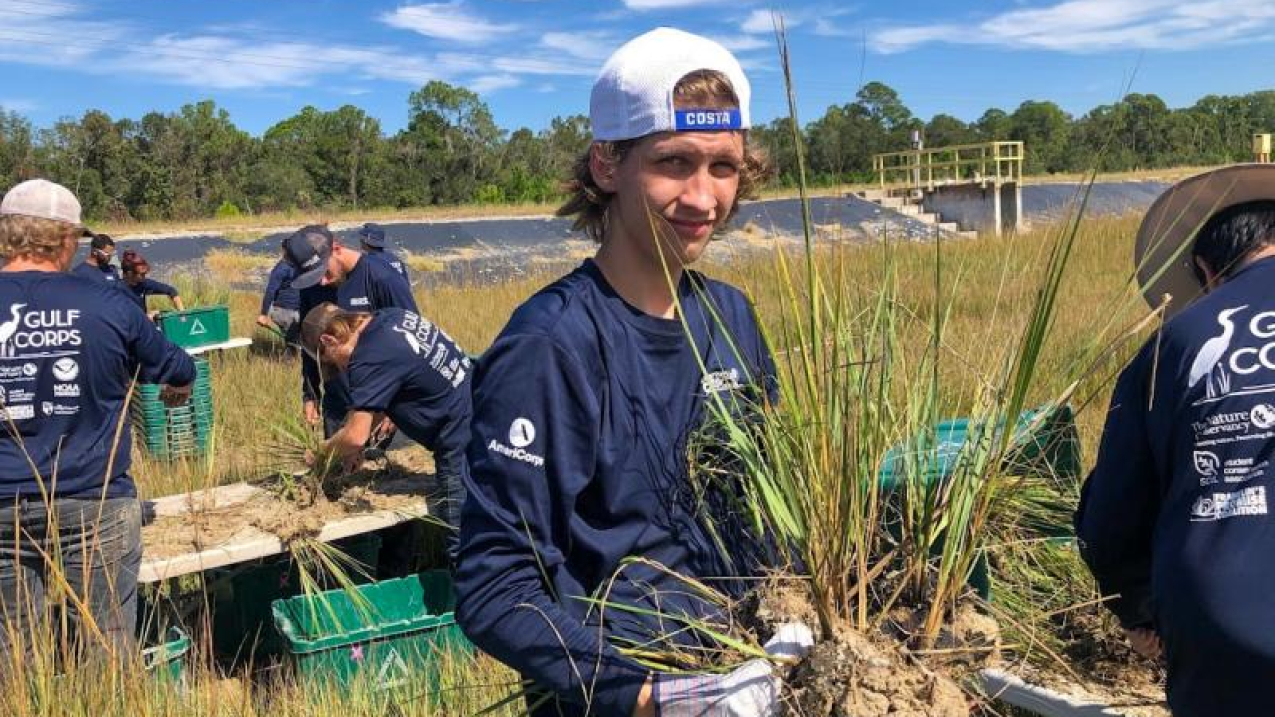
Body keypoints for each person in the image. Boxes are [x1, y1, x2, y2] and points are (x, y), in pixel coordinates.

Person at [454, 28, 810, 717]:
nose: (704, 197)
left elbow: (769, 504)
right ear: (607, 166)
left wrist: (794, 610)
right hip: (629, 691)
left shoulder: (730, 317)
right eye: (673, 162)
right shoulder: (550, 346)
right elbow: (494, 583)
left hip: (755, 677)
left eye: (724, 167)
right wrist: (656, 698)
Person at [1076, 164, 1275, 716]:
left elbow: (1110, 521)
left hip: (1227, 628)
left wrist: (1141, 612)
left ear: (1208, 272)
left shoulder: (1170, 347)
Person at [0, 179, 195, 662]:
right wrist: (176, 387)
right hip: (96, 501)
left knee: (12, 653)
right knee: (106, 647)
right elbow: (179, 368)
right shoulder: (106, 304)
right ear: (68, 239)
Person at [300, 302, 471, 556]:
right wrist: (357, 443)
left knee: (464, 545)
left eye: (329, 362)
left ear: (329, 340)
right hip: (482, 416)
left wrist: (322, 453)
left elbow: (355, 436)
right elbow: (381, 400)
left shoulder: (367, 357)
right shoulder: (392, 319)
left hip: (463, 442)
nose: (338, 369)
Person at [282, 224, 417, 437]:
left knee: (377, 467)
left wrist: (397, 403)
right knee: (335, 467)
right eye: (315, 276)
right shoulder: (312, 286)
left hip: (380, 407)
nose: (323, 281)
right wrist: (310, 394)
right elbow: (310, 344)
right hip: (337, 403)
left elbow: (414, 343)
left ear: (336, 248)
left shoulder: (382, 278)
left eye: (325, 271)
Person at [256, 246, 301, 346]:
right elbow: (270, 291)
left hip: (297, 309)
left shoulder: (299, 265)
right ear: (285, 251)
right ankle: (289, 358)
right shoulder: (281, 269)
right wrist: (264, 314)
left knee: (297, 341)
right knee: (293, 342)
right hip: (284, 311)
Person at [119, 250, 184, 316]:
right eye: (142, 274)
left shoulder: (143, 283)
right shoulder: (117, 289)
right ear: (130, 274)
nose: (144, 277)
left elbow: (171, 291)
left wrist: (182, 314)